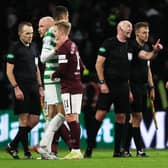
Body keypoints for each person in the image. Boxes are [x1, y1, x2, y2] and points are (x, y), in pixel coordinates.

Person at [87, 20, 133, 158]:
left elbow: (128, 70)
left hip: (123, 86)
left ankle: (117, 151)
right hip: (109, 84)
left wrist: (129, 90)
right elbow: (98, 64)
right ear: (120, 28)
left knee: (121, 117)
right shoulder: (109, 43)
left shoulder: (130, 47)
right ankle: (89, 147)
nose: (130, 29)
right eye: (127, 26)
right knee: (100, 114)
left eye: (131, 26)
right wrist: (102, 83)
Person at [36, 6, 73, 159]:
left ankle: (46, 152)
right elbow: (43, 57)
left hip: (56, 78)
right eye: (68, 17)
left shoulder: (58, 33)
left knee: (52, 114)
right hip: (53, 79)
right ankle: (44, 145)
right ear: (63, 17)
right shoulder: (52, 33)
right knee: (62, 114)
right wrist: (57, 50)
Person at [123, 21, 163, 157]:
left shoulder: (146, 46)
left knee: (136, 117)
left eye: (147, 32)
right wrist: (128, 89)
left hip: (142, 87)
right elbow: (127, 70)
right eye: (144, 32)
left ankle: (127, 150)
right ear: (137, 33)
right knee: (135, 117)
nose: (146, 35)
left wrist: (151, 87)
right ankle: (136, 150)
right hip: (132, 85)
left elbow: (148, 68)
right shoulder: (132, 47)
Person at [6, 21, 44, 159]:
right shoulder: (14, 48)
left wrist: (40, 87)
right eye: (27, 33)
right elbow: (9, 71)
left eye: (32, 33)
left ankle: (13, 145)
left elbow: (37, 68)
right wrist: (16, 88)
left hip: (34, 87)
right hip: (21, 88)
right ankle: (26, 152)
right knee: (23, 120)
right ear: (20, 34)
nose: (30, 36)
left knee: (34, 120)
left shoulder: (34, 47)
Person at [51, 20, 84, 159]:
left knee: (71, 117)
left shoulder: (65, 47)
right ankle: (76, 150)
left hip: (69, 87)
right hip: (77, 85)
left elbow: (63, 69)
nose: (54, 35)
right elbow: (82, 67)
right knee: (74, 117)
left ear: (62, 31)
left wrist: (54, 74)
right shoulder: (73, 45)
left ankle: (76, 150)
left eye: (55, 31)